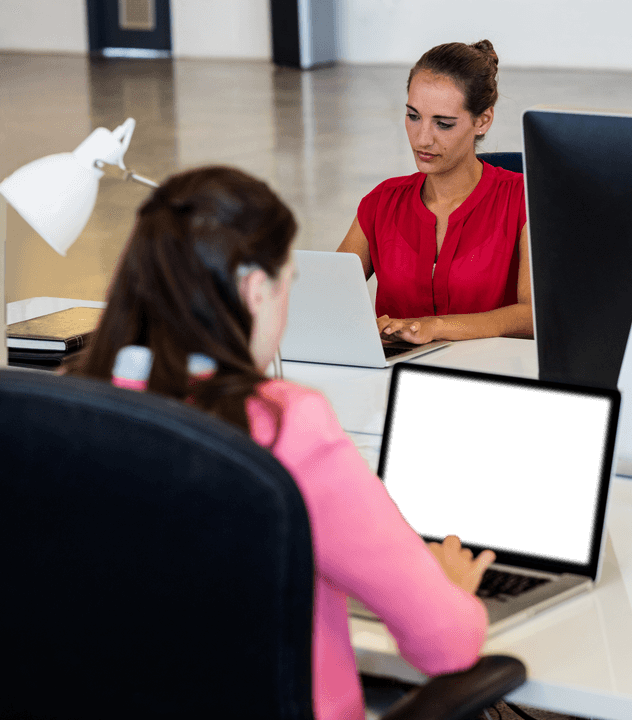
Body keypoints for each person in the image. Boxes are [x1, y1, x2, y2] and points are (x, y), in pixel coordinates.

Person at [69, 166, 496, 720]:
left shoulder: (77, 404)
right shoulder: (283, 425)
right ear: (254, 290)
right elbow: (445, 642)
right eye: (287, 282)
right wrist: (449, 586)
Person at [336, 40, 531, 344]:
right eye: (413, 116)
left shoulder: (523, 200)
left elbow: (532, 315)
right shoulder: (381, 202)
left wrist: (435, 327)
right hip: (395, 377)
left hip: (490, 377)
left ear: (483, 121)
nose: (422, 138)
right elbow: (327, 298)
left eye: (443, 124)